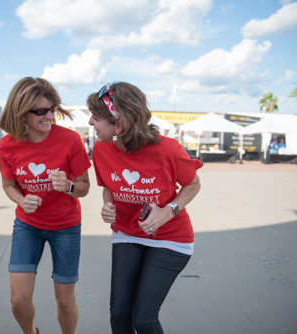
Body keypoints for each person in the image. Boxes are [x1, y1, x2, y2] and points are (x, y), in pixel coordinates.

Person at [87, 82, 203, 334]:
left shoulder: (168, 149)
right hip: (126, 234)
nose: (90, 123)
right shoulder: (101, 149)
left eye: (95, 118)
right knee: (119, 314)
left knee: (143, 319)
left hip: (170, 240)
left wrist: (169, 210)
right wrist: (108, 205)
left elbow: (193, 184)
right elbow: (108, 186)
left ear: (118, 124)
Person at [0, 77, 91, 334]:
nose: (49, 116)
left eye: (52, 109)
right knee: (18, 301)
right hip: (28, 226)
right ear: (21, 113)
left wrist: (68, 186)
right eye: (41, 111)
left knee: (64, 299)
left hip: (66, 227)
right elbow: (9, 186)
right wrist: (22, 200)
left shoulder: (70, 140)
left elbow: (84, 186)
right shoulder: (6, 145)